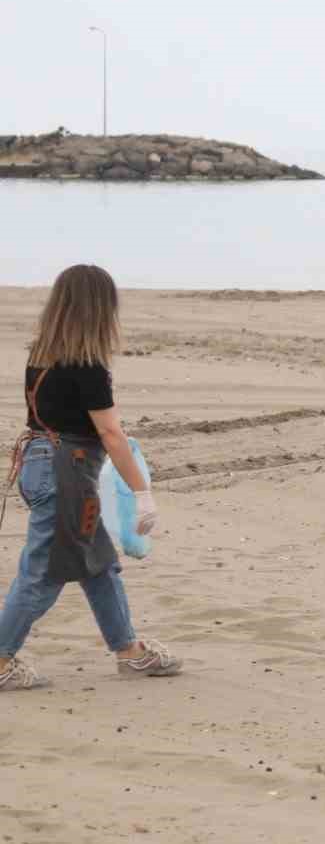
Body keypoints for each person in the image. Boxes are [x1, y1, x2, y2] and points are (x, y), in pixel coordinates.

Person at [0, 265, 182, 691]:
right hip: (67, 472)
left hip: (40, 462)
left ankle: (130, 652)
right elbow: (110, 434)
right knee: (43, 571)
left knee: (99, 565)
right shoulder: (88, 366)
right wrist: (142, 492)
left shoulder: (41, 355)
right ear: (101, 308)